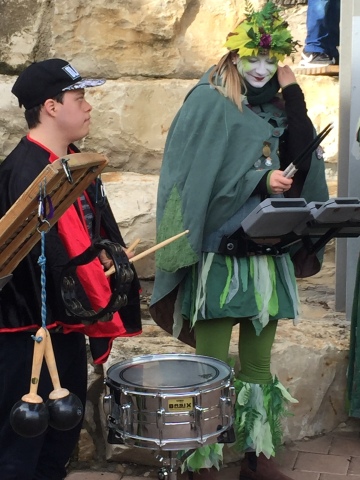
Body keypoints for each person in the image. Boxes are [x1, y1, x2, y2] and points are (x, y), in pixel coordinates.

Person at [150, 2, 329, 479]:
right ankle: (200, 459)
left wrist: (293, 94)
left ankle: (258, 453)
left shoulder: (276, 107)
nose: (261, 68)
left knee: (257, 366)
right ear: (233, 56)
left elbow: (304, 161)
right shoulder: (209, 102)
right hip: (220, 258)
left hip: (266, 259)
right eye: (253, 57)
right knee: (208, 366)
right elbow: (191, 181)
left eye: (271, 61)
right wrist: (258, 181)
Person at [0, 58, 142, 480]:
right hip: (25, 332)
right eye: (79, 99)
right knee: (20, 443)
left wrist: (105, 264)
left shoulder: (76, 163)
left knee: (61, 436)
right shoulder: (23, 171)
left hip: (66, 326)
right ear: (51, 107)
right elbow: (20, 262)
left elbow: (92, 234)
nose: (88, 107)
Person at [299, 0, 340, 67]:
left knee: (335, 3)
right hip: (315, 48)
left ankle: (329, 51)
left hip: (330, 50)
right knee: (321, 2)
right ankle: (313, 51)